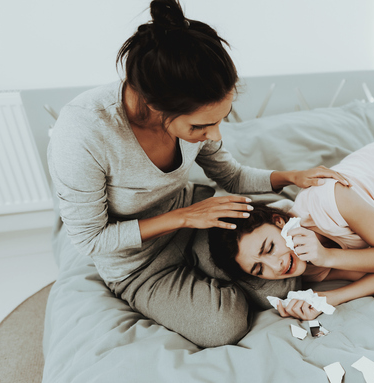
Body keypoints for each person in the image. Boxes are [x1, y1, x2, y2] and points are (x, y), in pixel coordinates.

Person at [47, 0, 349, 347]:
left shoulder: (193, 111)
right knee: (224, 327)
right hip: (142, 264)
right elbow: (89, 240)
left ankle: (223, 270)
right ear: (156, 106)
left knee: (290, 265)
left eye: (222, 119)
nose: (215, 135)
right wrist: (185, 217)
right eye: (202, 125)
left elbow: (231, 176)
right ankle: (215, 278)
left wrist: (292, 177)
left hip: (200, 223)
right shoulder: (84, 133)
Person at [208, 138, 374, 321]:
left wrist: (328, 256)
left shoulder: (328, 198)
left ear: (279, 221)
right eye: (259, 270)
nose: (276, 266)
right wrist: (329, 298)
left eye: (269, 248)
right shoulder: (305, 267)